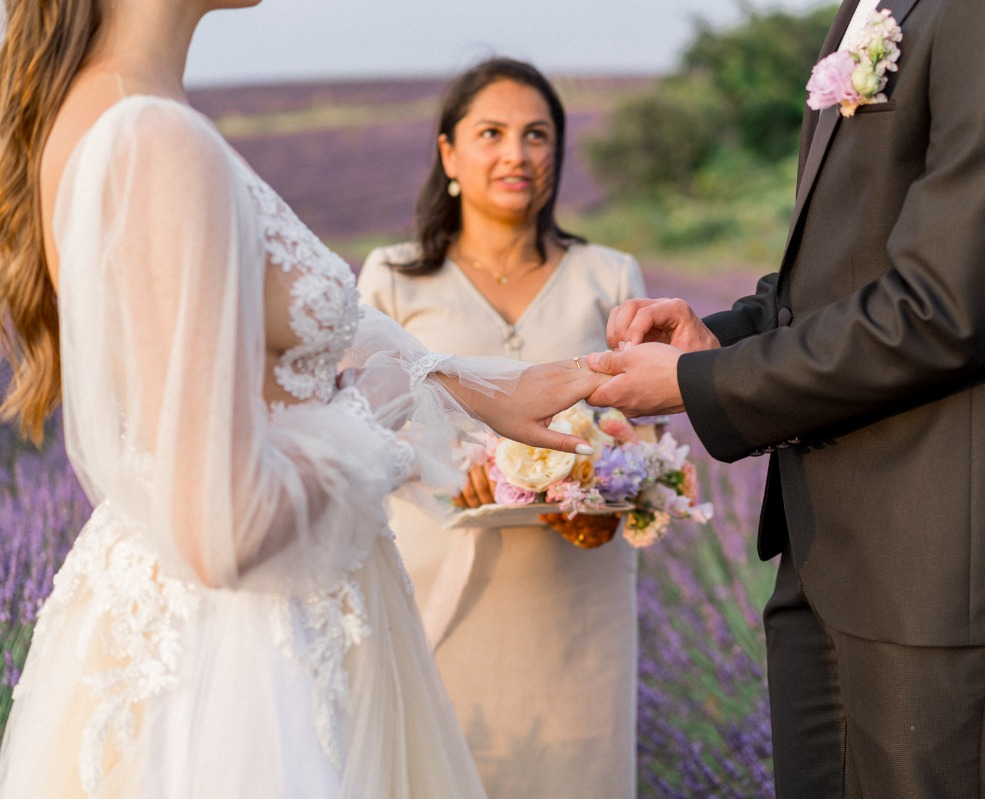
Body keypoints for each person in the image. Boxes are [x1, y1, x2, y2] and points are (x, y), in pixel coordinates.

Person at [0, 1, 607, 796]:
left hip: (248, 616)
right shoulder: (148, 135)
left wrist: (481, 386)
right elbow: (220, 525)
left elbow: (314, 331)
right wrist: (382, 432)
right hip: (245, 657)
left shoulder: (124, 109)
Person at [588, 0, 985, 795]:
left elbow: (946, 307)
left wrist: (700, 388)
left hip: (954, 565)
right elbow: (852, 265)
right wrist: (721, 342)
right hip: (836, 550)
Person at [357, 58, 644, 799]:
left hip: (575, 597)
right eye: (492, 133)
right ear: (449, 153)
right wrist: (453, 470)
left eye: (537, 135)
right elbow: (366, 428)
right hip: (437, 581)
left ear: (557, 153)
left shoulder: (609, 276)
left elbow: (624, 425)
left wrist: (612, 466)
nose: (516, 153)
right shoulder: (391, 278)